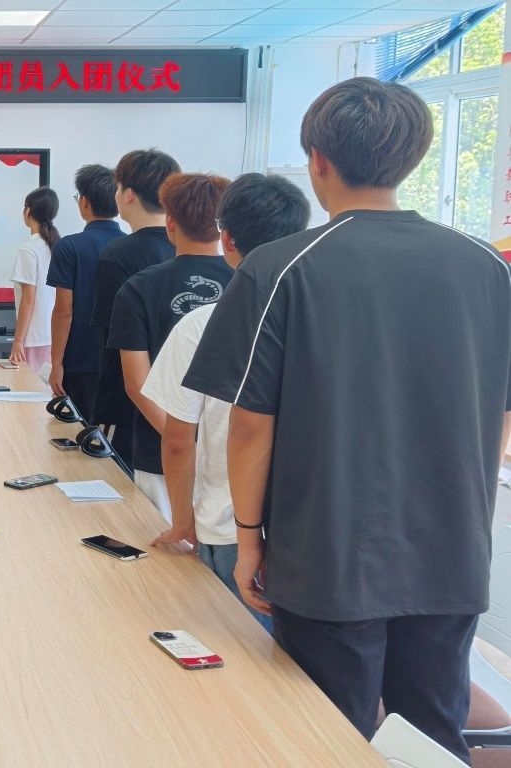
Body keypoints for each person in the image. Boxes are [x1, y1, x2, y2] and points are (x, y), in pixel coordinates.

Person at [183, 78, 511, 762]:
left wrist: (248, 539)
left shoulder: (278, 268)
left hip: (326, 554)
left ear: (317, 159)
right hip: (450, 551)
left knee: (328, 735)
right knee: (432, 732)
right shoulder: (486, 267)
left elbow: (250, 426)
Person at [142, 173, 311, 630]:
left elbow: (179, 439)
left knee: (237, 655)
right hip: (307, 529)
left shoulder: (202, 324)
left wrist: (182, 520)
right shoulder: (322, 320)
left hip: (228, 524)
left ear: (228, 240)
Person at [108, 173, 232, 521]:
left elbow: (136, 383)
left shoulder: (138, 288)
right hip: (232, 457)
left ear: (170, 223)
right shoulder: (249, 284)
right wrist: (208, 446)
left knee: (164, 547)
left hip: (158, 452)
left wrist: (183, 439)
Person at [88, 150, 181, 466]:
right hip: (183, 407)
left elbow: (108, 338)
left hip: (129, 408)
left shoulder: (118, 254)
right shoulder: (187, 249)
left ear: (128, 195)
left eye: (117, 187)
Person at [46, 164, 125, 417]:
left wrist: (56, 363)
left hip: (79, 359)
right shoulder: (130, 245)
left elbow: (63, 310)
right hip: (123, 360)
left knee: (76, 430)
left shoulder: (69, 247)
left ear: (84, 202)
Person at [8, 187, 60, 370]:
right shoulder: (57, 246)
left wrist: (18, 341)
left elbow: (28, 299)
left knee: (28, 386)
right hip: (55, 336)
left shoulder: (28, 249)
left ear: (28, 211)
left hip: (33, 338)